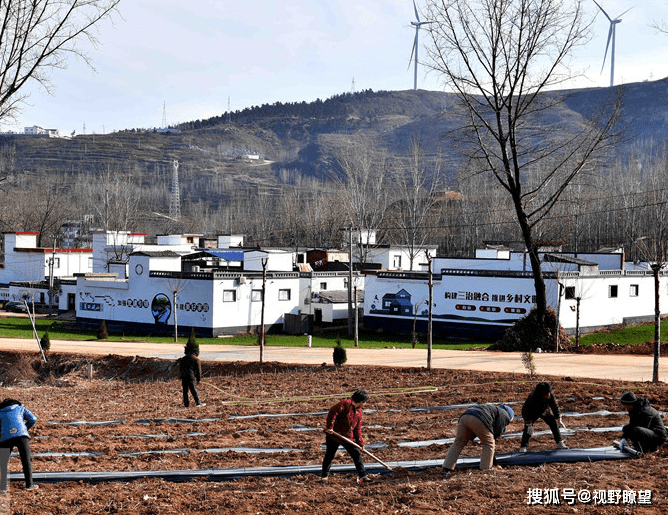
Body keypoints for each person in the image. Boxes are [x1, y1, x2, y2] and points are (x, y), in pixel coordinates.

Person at [442, 403, 514, 472]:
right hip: (479, 418)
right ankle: (486, 468)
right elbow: (497, 432)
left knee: (458, 443)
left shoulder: (492, 409)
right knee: (489, 443)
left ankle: (447, 467)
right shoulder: (504, 414)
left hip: (465, 416)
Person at [322, 390, 373, 484]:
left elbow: (357, 429)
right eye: (365, 402)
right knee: (329, 455)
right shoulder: (345, 404)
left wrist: (360, 442)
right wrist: (330, 427)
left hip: (347, 437)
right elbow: (333, 411)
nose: (365, 404)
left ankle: (363, 476)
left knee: (357, 454)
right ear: (361, 401)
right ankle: (324, 477)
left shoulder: (359, 412)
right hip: (334, 435)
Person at [0, 398, 38, 491]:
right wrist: (25, 428)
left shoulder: (0, 412)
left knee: (3, 462)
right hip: (22, 436)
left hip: (6, 437)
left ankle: (2, 487)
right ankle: (29, 485)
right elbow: (33, 419)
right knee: (26, 461)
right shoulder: (20, 408)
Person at [519, 382, 567, 452]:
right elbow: (526, 411)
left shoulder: (549, 394)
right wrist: (529, 423)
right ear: (541, 394)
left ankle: (559, 443)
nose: (548, 395)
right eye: (546, 394)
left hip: (544, 410)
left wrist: (558, 418)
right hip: (532, 412)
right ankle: (523, 447)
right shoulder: (532, 398)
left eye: (549, 393)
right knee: (528, 429)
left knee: (553, 422)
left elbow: (554, 405)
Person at [178, 342, 205, 408]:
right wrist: (198, 380)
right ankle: (198, 403)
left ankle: (186, 405)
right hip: (191, 377)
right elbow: (199, 371)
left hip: (184, 376)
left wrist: (181, 376)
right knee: (194, 390)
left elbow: (180, 369)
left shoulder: (183, 359)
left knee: (185, 391)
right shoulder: (196, 359)